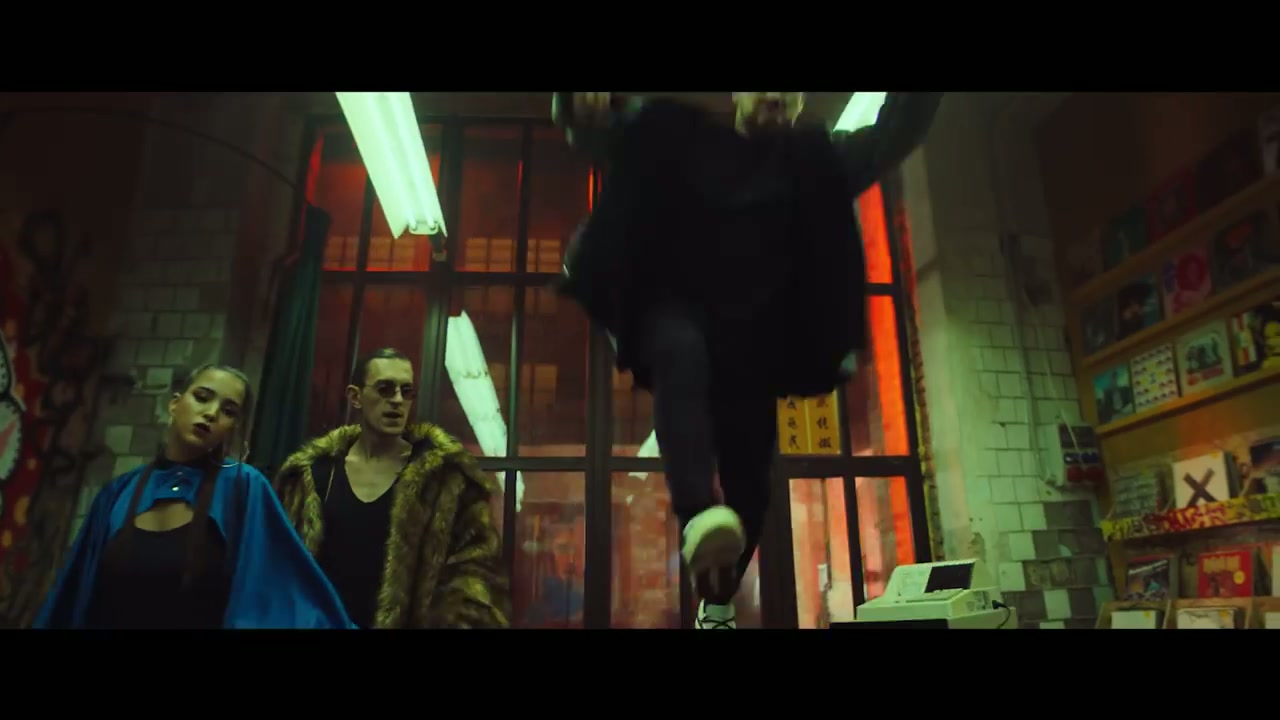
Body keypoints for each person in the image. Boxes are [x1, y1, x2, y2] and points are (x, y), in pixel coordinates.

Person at [553, 91, 943, 629]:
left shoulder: (814, 162)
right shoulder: (687, 146)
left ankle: (717, 600)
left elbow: (893, 136)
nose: (779, 96)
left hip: (753, 353)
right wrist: (577, 106)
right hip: (678, 315)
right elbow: (609, 135)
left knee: (751, 493)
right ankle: (696, 511)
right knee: (681, 352)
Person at [34, 364, 354, 629]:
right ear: (175, 404)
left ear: (233, 427)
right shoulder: (117, 493)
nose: (211, 413)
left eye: (228, 411)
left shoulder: (244, 488)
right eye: (202, 397)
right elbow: (71, 602)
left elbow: (290, 596)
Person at [273, 347, 509, 628]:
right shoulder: (312, 476)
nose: (397, 400)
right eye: (384, 389)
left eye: (406, 391)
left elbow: (476, 570)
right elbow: (279, 570)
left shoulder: (444, 479)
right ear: (355, 397)